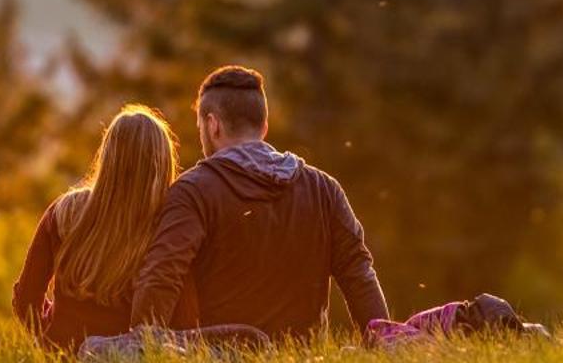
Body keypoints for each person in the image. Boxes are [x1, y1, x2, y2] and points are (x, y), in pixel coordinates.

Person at [128, 65, 389, 342]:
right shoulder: (323, 189)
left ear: (212, 124)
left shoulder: (193, 191)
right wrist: (385, 342)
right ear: (264, 127)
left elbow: (162, 274)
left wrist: (144, 345)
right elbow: (359, 275)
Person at [12, 105, 195, 352]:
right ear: (161, 164)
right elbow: (184, 318)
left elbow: (25, 299)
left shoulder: (66, 211)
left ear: (107, 155)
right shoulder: (168, 227)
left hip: (60, 357)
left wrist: (52, 335)